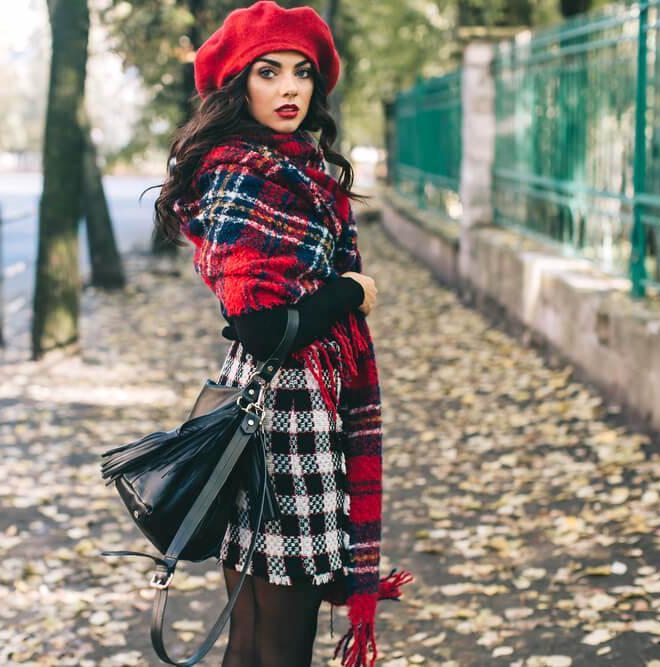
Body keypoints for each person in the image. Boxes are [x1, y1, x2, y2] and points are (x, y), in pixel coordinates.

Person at [151, 3, 413, 665]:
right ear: (239, 84)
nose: (291, 87)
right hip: (283, 422)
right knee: (282, 646)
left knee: (252, 640)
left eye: (302, 72)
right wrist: (349, 292)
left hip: (270, 411)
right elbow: (258, 322)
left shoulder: (286, 167)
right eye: (269, 72)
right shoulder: (249, 172)